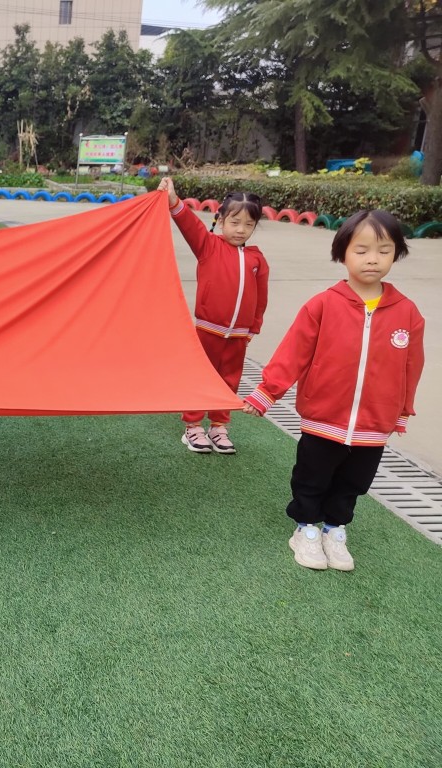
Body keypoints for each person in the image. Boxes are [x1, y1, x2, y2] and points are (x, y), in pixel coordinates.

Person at [243, 210, 425, 571]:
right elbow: (293, 352)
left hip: (374, 424)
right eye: (362, 250)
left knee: (353, 482)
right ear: (342, 253)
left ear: (397, 253)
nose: (373, 259)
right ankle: (306, 528)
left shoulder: (407, 313)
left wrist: (402, 410)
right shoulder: (323, 305)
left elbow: (411, 366)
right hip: (323, 417)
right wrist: (267, 392)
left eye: (384, 250)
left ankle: (334, 529)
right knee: (312, 477)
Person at [158, 177, 268, 455]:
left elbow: (261, 298)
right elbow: (189, 225)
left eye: (249, 224)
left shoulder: (257, 259)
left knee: (229, 380)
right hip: (208, 330)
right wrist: (173, 200)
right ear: (220, 221)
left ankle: (219, 426)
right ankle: (193, 426)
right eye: (235, 222)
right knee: (200, 377)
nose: (240, 230)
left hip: (239, 336)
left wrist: (253, 328)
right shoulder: (208, 246)